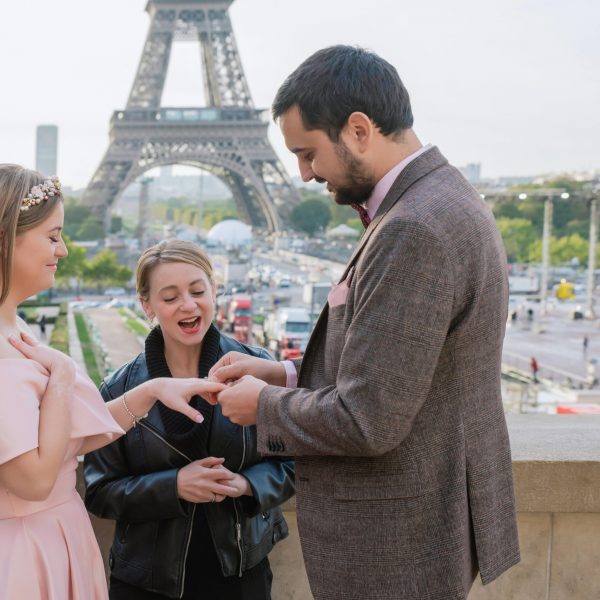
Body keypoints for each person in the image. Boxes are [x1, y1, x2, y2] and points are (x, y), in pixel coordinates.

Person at [207, 46, 520, 599]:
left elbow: (368, 418)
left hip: (396, 544)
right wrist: (284, 372)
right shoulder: (440, 201)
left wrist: (261, 404)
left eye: (308, 153)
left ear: (357, 129)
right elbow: (399, 363)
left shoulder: (413, 229)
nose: (304, 174)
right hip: (419, 526)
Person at [0, 164, 226, 600]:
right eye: (52, 236)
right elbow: (34, 481)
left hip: (53, 537)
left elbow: (67, 439)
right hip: (29, 550)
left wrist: (152, 390)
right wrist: (63, 374)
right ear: (6, 237)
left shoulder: (14, 327)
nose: (63, 250)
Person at [84, 239, 295, 600]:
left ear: (215, 290)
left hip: (241, 576)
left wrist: (246, 486)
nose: (188, 304)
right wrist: (175, 486)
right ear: (146, 305)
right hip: (146, 584)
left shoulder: (259, 366)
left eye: (198, 290)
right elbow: (99, 490)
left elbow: (293, 464)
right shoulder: (118, 389)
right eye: (170, 298)